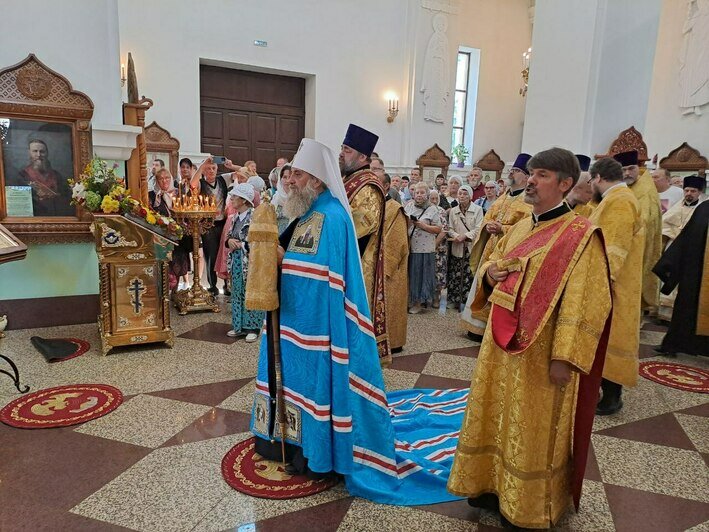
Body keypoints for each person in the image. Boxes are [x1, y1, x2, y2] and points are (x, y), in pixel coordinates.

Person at [251, 138, 468, 506]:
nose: (291, 181)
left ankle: (316, 454)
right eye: (291, 175)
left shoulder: (333, 216)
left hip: (319, 328)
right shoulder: (306, 211)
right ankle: (288, 439)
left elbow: (323, 276)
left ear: (317, 180)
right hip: (295, 324)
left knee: (316, 386)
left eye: (299, 175)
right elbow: (300, 260)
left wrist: (282, 260)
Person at [448, 147, 612, 529]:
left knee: (531, 427)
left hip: (541, 353)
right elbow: (493, 262)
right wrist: (489, 275)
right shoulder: (521, 224)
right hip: (498, 345)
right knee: (494, 413)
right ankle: (489, 486)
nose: (531, 181)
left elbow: (585, 302)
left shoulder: (581, 236)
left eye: (541, 176)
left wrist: (564, 358)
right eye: (531, 174)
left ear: (566, 184)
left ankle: (527, 505)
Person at [588, 157, 644, 415]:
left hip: (614, 285)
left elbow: (613, 248)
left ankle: (612, 397)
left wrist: (603, 282)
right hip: (611, 281)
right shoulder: (618, 198)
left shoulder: (620, 200)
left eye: (591, 181)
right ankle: (602, 390)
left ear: (598, 177)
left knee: (612, 338)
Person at [460, 153, 533, 340]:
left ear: (526, 176)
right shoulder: (503, 197)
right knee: (482, 282)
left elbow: (526, 230)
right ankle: (475, 327)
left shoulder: (528, 202)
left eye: (516, 171)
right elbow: (487, 219)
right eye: (512, 170)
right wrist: (488, 226)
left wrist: (503, 228)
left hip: (508, 253)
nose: (512, 174)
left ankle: (492, 329)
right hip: (490, 248)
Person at [339, 123, 389, 364]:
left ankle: (358, 364)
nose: (341, 153)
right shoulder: (349, 179)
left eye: (347, 150)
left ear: (362, 157)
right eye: (342, 148)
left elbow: (361, 225)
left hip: (358, 263)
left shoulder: (367, 185)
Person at [653, 200, 709, 357]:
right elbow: (687, 238)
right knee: (687, 306)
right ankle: (675, 344)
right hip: (696, 274)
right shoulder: (705, 208)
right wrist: (668, 264)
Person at [614, 150, 662, 313]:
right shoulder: (618, 188)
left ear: (638, 167)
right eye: (623, 169)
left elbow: (648, 221)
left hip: (638, 249)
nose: (627, 173)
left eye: (631, 168)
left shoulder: (646, 190)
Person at [657, 175, 706, 322]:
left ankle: (680, 315)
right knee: (668, 276)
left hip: (693, 251)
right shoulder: (676, 207)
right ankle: (664, 314)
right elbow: (664, 224)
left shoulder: (703, 209)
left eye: (693, 191)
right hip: (674, 248)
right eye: (687, 190)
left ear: (700, 192)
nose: (689, 194)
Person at [224, 184, 263, 342]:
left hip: (250, 262)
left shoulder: (255, 217)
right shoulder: (234, 218)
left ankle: (253, 327)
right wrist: (229, 241)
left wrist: (242, 245)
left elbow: (260, 242)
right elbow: (228, 238)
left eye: (234, 196)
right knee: (237, 292)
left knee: (251, 292)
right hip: (237, 261)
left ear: (244, 200)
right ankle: (239, 325)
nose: (231, 199)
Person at [190, 157, 234, 294]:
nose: (211, 171)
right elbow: (192, 183)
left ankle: (227, 285)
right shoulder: (201, 183)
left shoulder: (223, 180)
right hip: (207, 224)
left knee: (225, 254)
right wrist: (202, 164)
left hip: (223, 223)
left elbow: (244, 173)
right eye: (208, 168)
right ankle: (212, 285)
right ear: (204, 170)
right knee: (211, 255)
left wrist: (230, 165)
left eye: (213, 168)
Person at [149, 168, 190, 290]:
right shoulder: (152, 196)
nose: (164, 181)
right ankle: (164, 294)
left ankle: (176, 293)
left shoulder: (179, 193)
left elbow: (185, 212)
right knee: (164, 268)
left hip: (177, 238)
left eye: (167, 178)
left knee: (177, 265)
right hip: (161, 238)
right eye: (160, 178)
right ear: (156, 181)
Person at [405, 182, 442, 314]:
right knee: (412, 275)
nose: (419, 195)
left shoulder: (433, 209)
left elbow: (438, 228)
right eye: (417, 193)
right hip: (411, 247)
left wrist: (422, 225)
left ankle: (419, 302)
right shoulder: (408, 206)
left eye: (422, 193)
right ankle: (411, 299)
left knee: (422, 276)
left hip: (426, 249)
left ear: (427, 195)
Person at [446, 185, 483, 310]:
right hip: (457, 245)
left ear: (470, 196)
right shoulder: (453, 211)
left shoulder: (477, 209)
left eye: (465, 194)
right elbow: (450, 228)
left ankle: (467, 301)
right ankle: (453, 299)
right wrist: (456, 236)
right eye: (460, 194)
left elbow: (479, 228)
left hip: (470, 247)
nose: (462, 196)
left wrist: (466, 235)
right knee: (455, 273)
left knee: (468, 274)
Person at [13, 138, 73, 216]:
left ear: (47, 154)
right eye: (35, 151)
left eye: (42, 152)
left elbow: (66, 197)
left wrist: (56, 195)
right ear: (29, 153)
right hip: (34, 218)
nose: (39, 155)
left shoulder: (57, 175)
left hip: (56, 216)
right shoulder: (22, 175)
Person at [383, 184, 410, 353]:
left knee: (392, 304)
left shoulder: (395, 208)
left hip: (391, 269)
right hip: (372, 266)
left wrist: (384, 267)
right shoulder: (373, 205)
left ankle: (393, 342)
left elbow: (398, 241)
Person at [430, 189, 449, 308]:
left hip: (439, 248)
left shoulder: (441, 211)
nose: (434, 201)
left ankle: (436, 298)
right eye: (431, 198)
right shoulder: (425, 210)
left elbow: (444, 230)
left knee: (439, 273)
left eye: (436, 198)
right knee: (428, 272)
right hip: (425, 246)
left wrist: (435, 244)